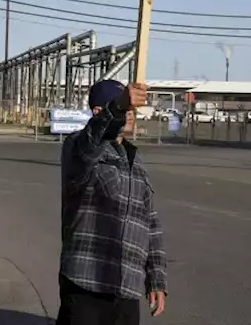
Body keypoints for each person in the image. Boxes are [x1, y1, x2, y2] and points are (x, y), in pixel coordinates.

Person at [58, 79, 168, 325]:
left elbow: (150, 223)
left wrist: (156, 277)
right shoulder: (78, 148)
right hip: (86, 282)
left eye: (130, 110)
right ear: (99, 111)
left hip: (126, 286)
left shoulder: (135, 158)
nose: (129, 115)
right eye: (122, 109)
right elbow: (91, 139)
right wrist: (117, 107)